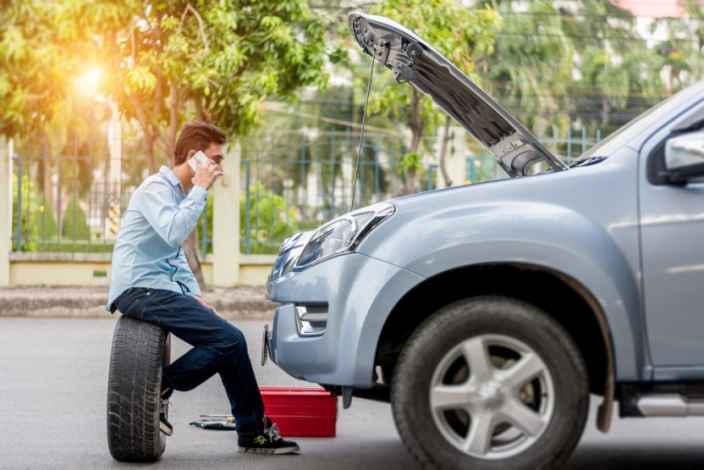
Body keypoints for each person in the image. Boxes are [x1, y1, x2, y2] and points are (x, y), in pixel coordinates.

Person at [106, 121, 299, 455]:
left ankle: (251, 431)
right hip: (140, 289)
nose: (220, 169)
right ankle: (161, 385)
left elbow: (174, 256)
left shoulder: (175, 194)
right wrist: (199, 190)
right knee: (230, 340)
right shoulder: (156, 189)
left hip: (157, 289)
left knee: (230, 341)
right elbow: (173, 233)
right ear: (195, 158)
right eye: (216, 159)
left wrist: (195, 298)